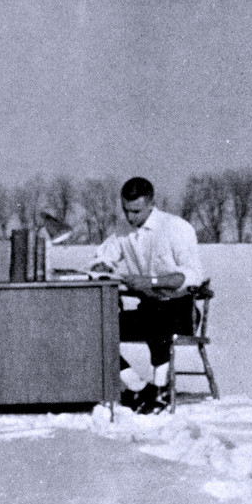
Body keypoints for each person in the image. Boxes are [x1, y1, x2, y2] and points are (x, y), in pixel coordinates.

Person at [90, 177, 204, 414]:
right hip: (149, 308)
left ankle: (161, 389)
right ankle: (138, 387)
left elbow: (193, 275)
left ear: (151, 204)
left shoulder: (175, 227)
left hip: (181, 308)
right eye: (126, 210)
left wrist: (151, 282)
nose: (130, 217)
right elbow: (103, 257)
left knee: (158, 320)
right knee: (97, 329)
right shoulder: (123, 231)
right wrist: (102, 266)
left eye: (136, 211)